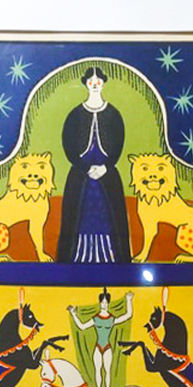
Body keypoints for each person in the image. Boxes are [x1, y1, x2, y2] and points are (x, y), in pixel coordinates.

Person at [55, 66, 130, 263]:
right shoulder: (75, 114)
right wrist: (84, 168)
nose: (95, 84)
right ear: (86, 83)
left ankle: (112, 256)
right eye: (91, 80)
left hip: (108, 173)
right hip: (80, 174)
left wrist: (106, 167)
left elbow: (119, 143)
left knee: (110, 215)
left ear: (103, 83)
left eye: (98, 80)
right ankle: (76, 256)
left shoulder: (113, 114)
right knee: (76, 216)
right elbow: (68, 144)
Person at [68, 289, 133, 387]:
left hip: (107, 347)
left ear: (108, 304)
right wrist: (74, 314)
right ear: (100, 303)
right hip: (98, 347)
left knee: (107, 370)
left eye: (106, 302)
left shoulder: (111, 319)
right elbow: (82, 326)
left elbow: (128, 315)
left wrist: (129, 300)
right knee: (97, 370)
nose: (104, 305)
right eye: (102, 302)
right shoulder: (95, 318)